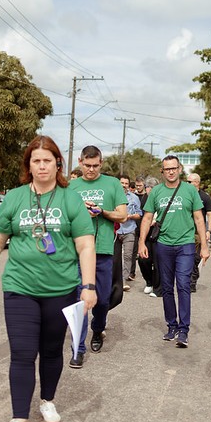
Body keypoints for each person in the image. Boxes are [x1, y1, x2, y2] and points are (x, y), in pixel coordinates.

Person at [0, 135, 97, 422]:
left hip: (62, 289)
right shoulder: (14, 198)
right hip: (20, 287)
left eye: (47, 160)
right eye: (36, 161)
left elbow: (85, 244)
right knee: (22, 353)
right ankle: (19, 421)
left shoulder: (70, 199)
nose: (42, 166)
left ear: (58, 164)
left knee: (52, 350)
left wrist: (89, 285)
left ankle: (48, 400)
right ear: (28, 165)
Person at [138, 156, 210, 348]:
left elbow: (199, 219)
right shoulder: (156, 193)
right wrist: (141, 243)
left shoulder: (189, 191)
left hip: (185, 244)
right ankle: (172, 326)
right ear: (162, 172)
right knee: (167, 287)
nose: (170, 171)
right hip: (163, 245)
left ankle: (184, 330)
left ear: (179, 169)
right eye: (166, 169)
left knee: (184, 285)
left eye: (174, 168)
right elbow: (146, 219)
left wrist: (204, 246)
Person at [68, 146, 127, 367]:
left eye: (95, 165)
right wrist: (79, 210)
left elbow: (122, 216)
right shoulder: (71, 187)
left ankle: (98, 329)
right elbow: (64, 217)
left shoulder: (112, 184)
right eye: (87, 165)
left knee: (101, 300)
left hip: (103, 251)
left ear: (101, 163)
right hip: (77, 251)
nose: (91, 169)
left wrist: (102, 211)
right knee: (79, 301)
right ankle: (77, 348)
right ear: (80, 162)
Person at [186, 173, 211, 292]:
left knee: (196, 258)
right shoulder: (185, 195)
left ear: (197, 183)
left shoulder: (205, 197)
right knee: (187, 256)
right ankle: (188, 282)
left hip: (199, 232)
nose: (187, 184)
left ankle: (193, 280)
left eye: (189, 182)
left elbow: (210, 214)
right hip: (186, 231)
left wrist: (208, 230)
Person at [137, 176, 161, 297]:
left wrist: (156, 221)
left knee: (158, 261)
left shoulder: (161, 196)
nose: (148, 190)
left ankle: (157, 288)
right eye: (147, 187)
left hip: (159, 233)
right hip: (146, 233)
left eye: (151, 188)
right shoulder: (144, 198)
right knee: (143, 259)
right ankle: (149, 281)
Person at [117, 173, 142, 290]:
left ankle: (124, 280)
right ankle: (115, 280)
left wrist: (130, 216)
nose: (124, 185)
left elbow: (140, 214)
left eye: (126, 183)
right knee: (115, 257)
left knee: (127, 256)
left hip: (129, 230)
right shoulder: (112, 196)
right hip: (115, 231)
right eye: (122, 183)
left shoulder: (134, 197)